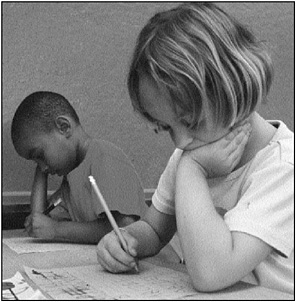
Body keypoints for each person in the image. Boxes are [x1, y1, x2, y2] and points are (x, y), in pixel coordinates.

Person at [96, 3, 294, 294]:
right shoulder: (193, 151)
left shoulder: (283, 168)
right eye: (166, 128)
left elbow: (211, 274)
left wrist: (192, 169)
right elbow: (154, 229)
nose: (180, 143)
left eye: (192, 122)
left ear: (235, 89)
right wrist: (125, 240)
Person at [11, 91, 144, 244]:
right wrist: (42, 170)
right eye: (35, 162)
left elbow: (124, 227)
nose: (43, 167)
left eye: (40, 154)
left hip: (150, 264)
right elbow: (40, 223)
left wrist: (57, 229)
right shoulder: (71, 177)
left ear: (64, 127)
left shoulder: (104, 156)